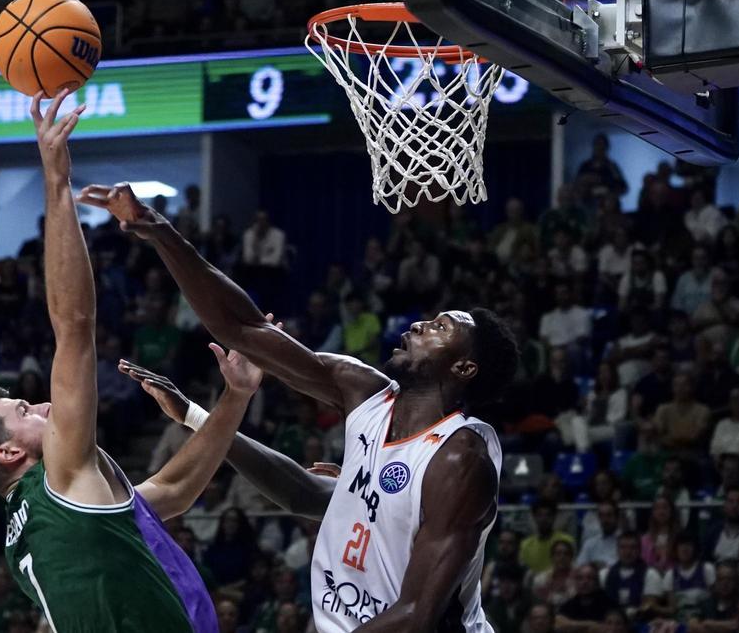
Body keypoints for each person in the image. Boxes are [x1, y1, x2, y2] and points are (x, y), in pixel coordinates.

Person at [81, 166, 519, 633]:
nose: (418, 325)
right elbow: (243, 328)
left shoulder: (460, 458)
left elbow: (416, 617)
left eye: (440, 328)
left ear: (464, 368)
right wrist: (159, 231)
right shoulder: (363, 391)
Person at [0, 92, 259, 632]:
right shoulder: (61, 479)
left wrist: (235, 397)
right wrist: (56, 180)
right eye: (24, 410)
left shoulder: (39, 523)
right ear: (9, 452)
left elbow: (173, 492)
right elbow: (74, 326)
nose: (43, 405)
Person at [599, 533, 652, 620]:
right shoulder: (604, 574)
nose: (628, 552)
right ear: (617, 550)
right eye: (623, 547)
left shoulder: (650, 574)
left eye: (632, 547)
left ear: (639, 550)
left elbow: (649, 607)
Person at [554, 565, 617, 633]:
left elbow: (607, 628)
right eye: (580, 578)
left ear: (597, 582)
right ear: (575, 582)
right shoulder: (570, 604)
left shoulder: (609, 604)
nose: (584, 582)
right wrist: (590, 624)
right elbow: (558, 624)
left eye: (589, 578)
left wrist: (571, 625)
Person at [522, 500, 578, 575]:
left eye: (548, 515)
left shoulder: (567, 540)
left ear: (554, 517)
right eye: (539, 515)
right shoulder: (526, 544)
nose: (544, 519)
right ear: (534, 517)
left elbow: (573, 567)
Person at [577, 502, 621, 569]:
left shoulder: (625, 543)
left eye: (609, 515)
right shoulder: (590, 543)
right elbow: (579, 567)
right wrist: (593, 565)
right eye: (601, 516)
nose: (605, 520)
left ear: (617, 517)